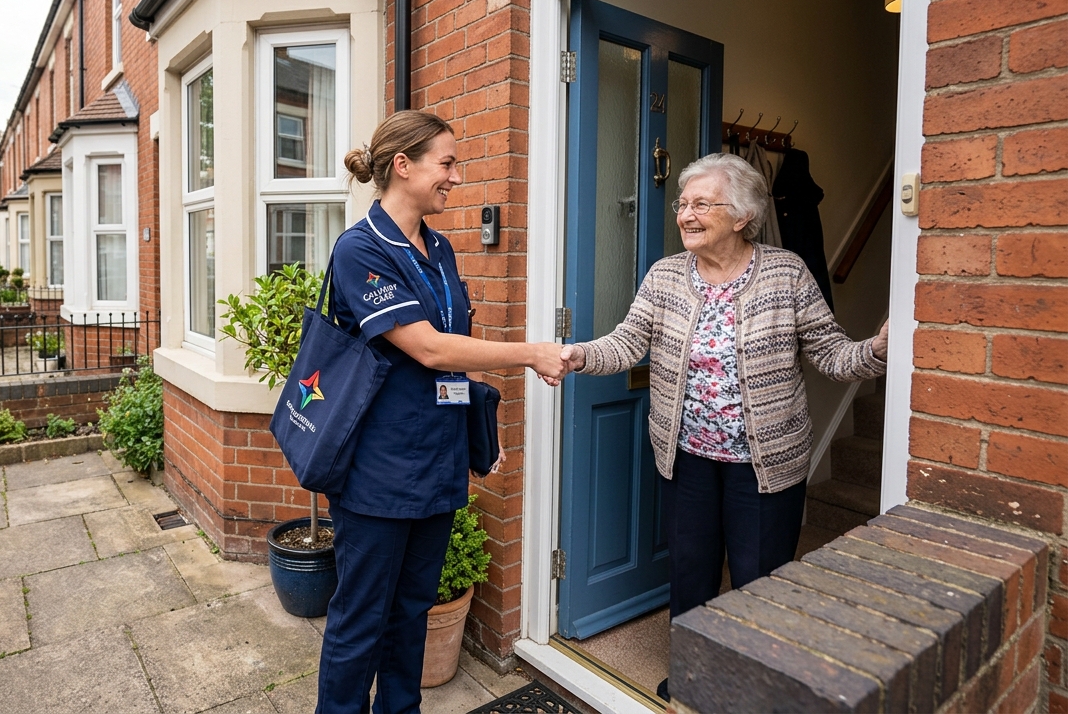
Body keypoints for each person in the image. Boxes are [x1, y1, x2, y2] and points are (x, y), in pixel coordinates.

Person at [556, 153, 888, 702]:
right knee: (691, 573)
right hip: (685, 457)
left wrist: (877, 350)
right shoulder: (665, 276)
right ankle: (694, 676)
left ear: (742, 216)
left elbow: (832, 354)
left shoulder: (786, 273)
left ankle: (753, 690)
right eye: (683, 204)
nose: (685, 214)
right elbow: (627, 342)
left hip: (767, 461)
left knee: (761, 577)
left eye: (701, 204)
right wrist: (578, 355)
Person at [316, 110, 567, 713]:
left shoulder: (441, 248)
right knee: (360, 621)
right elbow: (427, 347)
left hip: (436, 465)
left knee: (411, 613)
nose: (456, 177)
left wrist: (481, 424)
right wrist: (532, 352)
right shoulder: (360, 250)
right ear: (403, 166)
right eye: (447, 163)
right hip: (377, 474)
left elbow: (455, 352)